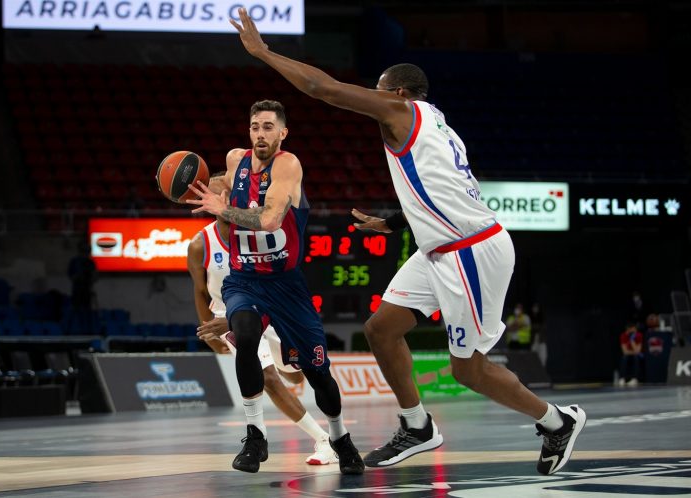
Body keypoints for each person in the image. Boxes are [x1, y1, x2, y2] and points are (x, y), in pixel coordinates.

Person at [228, 8, 586, 475]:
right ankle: (417, 425)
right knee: (381, 329)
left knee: (468, 370)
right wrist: (395, 223)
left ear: (397, 94)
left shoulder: (401, 111)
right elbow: (443, 189)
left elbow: (323, 89)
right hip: (438, 249)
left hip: (470, 252)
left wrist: (263, 52)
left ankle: (557, 421)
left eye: (378, 92)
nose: (372, 100)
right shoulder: (436, 122)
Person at [186, 100, 364, 475]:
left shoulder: (288, 165)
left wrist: (221, 208)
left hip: (285, 285)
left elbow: (268, 221)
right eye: (255, 126)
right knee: (245, 334)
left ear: (282, 133)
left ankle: (340, 438)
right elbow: (217, 191)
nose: (260, 133)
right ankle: (255, 436)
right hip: (244, 281)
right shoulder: (234, 161)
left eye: (268, 127)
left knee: (315, 373)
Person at [187, 172, 338, 466]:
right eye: (212, 195)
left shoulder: (260, 232)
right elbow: (199, 291)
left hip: (268, 309)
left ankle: (287, 366)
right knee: (268, 378)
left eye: (223, 193)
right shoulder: (199, 244)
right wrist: (210, 332)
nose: (216, 199)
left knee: (295, 374)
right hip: (231, 317)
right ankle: (323, 440)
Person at [618, 322, 643, 387]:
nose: (632, 331)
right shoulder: (623, 335)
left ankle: (635, 379)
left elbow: (638, 351)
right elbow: (624, 351)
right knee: (624, 358)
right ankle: (622, 378)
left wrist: (632, 341)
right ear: (627, 329)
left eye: (634, 329)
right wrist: (632, 352)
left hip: (637, 355)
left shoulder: (639, 335)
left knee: (636, 357)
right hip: (628, 355)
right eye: (630, 329)